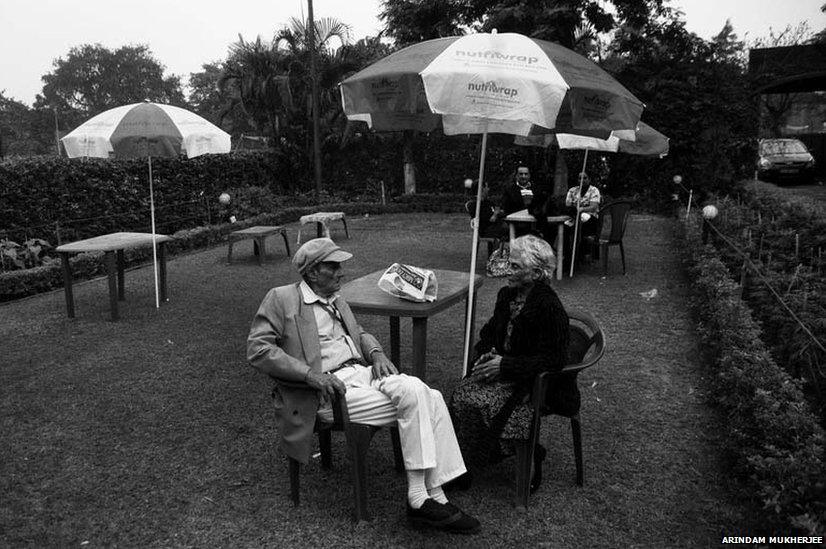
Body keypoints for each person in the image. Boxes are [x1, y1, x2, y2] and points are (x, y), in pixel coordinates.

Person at [247, 238, 480, 534]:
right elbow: (258, 349)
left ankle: (424, 497)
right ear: (313, 272)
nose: (341, 272)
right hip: (325, 392)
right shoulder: (281, 298)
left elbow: (359, 332)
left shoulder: (337, 299)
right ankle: (431, 495)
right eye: (334, 266)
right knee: (425, 395)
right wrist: (310, 375)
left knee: (425, 393)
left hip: (361, 373)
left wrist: (377, 353)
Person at [449, 235, 574, 493]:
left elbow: (555, 359)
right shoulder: (507, 295)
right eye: (510, 263)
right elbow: (488, 334)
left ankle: (516, 453)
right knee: (460, 394)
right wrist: (485, 355)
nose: (507, 269)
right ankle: (462, 463)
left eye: (516, 267)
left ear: (537, 273)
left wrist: (505, 366)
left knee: (481, 401)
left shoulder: (549, 306)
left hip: (531, 382)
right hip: (505, 372)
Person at [499, 165, 548, 238]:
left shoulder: (537, 189)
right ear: (516, 176)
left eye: (526, 174)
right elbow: (507, 208)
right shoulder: (509, 190)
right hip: (517, 225)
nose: (523, 176)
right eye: (521, 174)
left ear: (529, 175)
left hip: (535, 224)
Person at [564, 173, 602, 263]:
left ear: (589, 179)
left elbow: (593, 206)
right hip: (574, 218)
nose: (582, 180)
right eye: (579, 178)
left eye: (584, 178)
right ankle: (567, 254)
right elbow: (568, 205)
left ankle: (578, 255)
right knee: (565, 228)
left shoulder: (594, 190)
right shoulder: (572, 190)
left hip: (591, 219)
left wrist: (582, 209)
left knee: (579, 227)